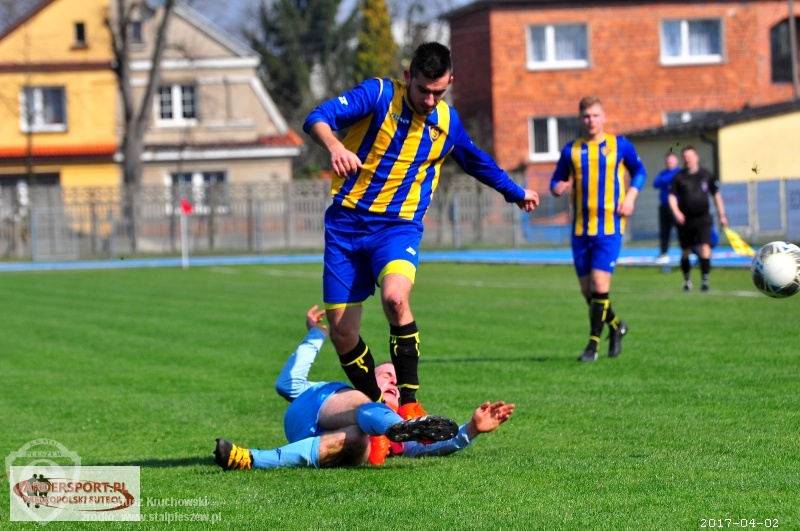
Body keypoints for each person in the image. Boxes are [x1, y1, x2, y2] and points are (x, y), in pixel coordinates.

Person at [302, 42, 539, 418]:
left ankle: (410, 404)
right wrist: (334, 146)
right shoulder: (379, 95)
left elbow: (477, 162)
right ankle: (380, 410)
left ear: (450, 83)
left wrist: (516, 192)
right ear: (408, 76)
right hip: (346, 225)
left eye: (438, 92)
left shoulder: (447, 122)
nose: (430, 100)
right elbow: (317, 117)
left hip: (398, 227)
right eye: (423, 90)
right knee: (342, 332)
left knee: (396, 299)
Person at [213, 306, 515, 470]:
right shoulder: (335, 390)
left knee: (361, 442)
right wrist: (315, 335)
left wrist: (470, 431)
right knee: (364, 401)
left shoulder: (398, 443)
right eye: (387, 375)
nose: (394, 382)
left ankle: (250, 458)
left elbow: (432, 448)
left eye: (397, 382)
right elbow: (286, 384)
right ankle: (393, 425)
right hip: (318, 406)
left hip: (322, 442)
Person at [550, 96, 647, 362]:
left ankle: (592, 345)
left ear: (604, 117)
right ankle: (616, 326)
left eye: (595, 115)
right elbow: (556, 179)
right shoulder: (571, 150)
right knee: (588, 292)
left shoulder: (619, 145)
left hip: (609, 226)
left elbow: (640, 171)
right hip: (581, 229)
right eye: (586, 116)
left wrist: (630, 197)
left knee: (599, 284)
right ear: (580, 119)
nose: (591, 120)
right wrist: (557, 187)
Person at [668, 145, 728, 292]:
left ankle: (705, 281)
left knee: (705, 247)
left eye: (690, 156)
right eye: (685, 157)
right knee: (686, 250)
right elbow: (671, 196)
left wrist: (722, 215)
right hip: (685, 220)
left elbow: (716, 195)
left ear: (696, 157)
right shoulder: (678, 177)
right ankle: (687, 280)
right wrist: (676, 212)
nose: (687, 159)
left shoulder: (706, 175)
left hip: (703, 218)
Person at [652, 152, 681, 264]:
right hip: (664, 207)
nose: (669, 163)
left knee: (683, 231)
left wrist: (667, 180)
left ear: (676, 161)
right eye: (668, 161)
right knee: (664, 232)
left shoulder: (680, 173)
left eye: (671, 161)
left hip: (678, 208)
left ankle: (692, 251)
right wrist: (666, 179)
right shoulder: (663, 173)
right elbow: (656, 183)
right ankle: (663, 253)